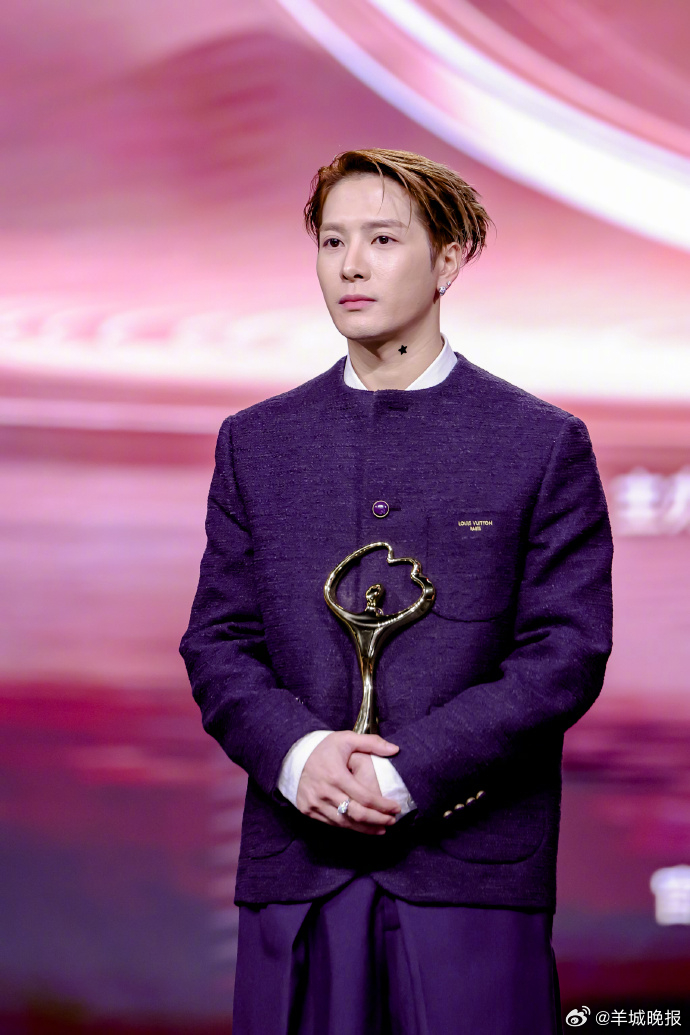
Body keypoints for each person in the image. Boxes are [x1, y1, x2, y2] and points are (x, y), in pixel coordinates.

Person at [179, 148, 613, 1035]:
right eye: (332, 241)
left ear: (447, 261)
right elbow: (218, 644)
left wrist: (409, 772)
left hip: (471, 873)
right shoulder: (258, 442)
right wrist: (299, 756)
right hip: (298, 866)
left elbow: (564, 656)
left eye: (382, 239)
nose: (351, 265)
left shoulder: (540, 443)